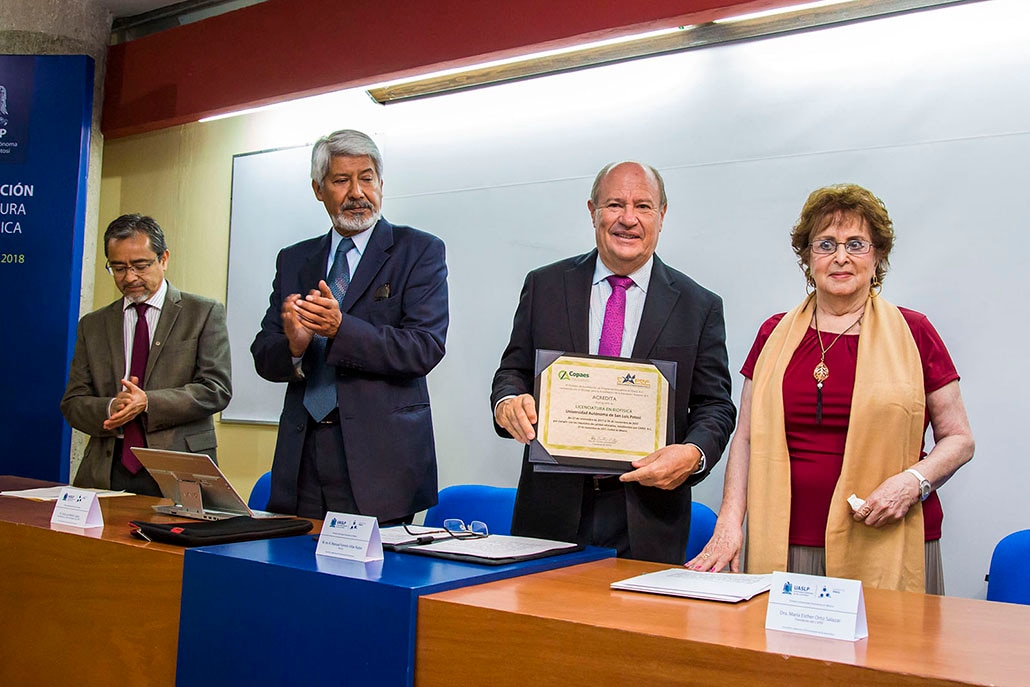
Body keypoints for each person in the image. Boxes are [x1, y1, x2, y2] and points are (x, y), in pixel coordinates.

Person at [687, 183, 975, 593]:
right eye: (826, 244)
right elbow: (746, 439)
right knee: (784, 658)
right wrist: (729, 523)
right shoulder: (774, 334)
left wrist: (913, 482)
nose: (841, 257)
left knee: (888, 655)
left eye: (856, 244)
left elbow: (959, 439)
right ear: (808, 258)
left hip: (890, 539)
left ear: (877, 256)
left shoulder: (915, 332)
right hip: (785, 544)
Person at [492, 161, 736, 564]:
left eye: (642, 206)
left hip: (649, 515)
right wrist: (507, 402)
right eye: (614, 205)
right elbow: (513, 371)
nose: (628, 219)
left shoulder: (699, 306)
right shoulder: (545, 285)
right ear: (592, 211)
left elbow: (715, 406)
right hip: (549, 510)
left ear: (662, 215)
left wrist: (693, 453)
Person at [252, 129, 448, 523]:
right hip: (302, 457)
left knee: (374, 582)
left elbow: (424, 347)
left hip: (382, 464)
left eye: (367, 177)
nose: (357, 192)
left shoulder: (418, 251)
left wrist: (341, 329)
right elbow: (263, 354)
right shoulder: (294, 259)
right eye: (342, 180)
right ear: (318, 188)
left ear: (380, 183)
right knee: (298, 576)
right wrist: (294, 346)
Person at [61, 214, 233, 496]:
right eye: (118, 268)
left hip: (180, 467)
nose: (129, 277)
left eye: (140, 266)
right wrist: (110, 407)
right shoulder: (92, 325)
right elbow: (73, 402)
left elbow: (216, 390)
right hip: (106, 469)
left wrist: (147, 402)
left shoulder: (203, 313)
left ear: (163, 259)